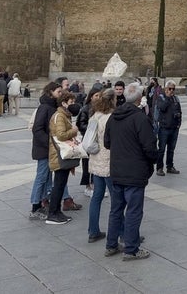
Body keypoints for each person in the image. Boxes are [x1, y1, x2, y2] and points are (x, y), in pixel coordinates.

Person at [104, 82, 158, 260]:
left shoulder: (114, 117)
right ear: (140, 99)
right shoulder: (140, 118)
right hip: (134, 172)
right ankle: (131, 249)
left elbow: (107, 143)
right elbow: (149, 147)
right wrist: (154, 160)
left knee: (116, 209)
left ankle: (111, 245)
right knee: (134, 211)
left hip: (117, 170)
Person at [45, 90, 81, 225]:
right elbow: (60, 135)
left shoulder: (64, 115)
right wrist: (74, 131)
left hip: (61, 154)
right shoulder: (59, 116)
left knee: (61, 184)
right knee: (59, 185)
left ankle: (57, 212)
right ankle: (52, 213)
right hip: (59, 155)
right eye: (71, 102)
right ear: (64, 103)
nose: (74, 105)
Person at [86, 88, 116, 243]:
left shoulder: (94, 116)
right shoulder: (111, 118)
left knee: (96, 197)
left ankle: (93, 231)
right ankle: (123, 233)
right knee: (116, 200)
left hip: (96, 162)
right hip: (109, 163)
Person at [77, 86, 103, 196]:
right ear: (91, 97)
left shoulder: (102, 108)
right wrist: (92, 127)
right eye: (96, 95)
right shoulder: (85, 108)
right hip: (88, 139)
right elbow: (80, 124)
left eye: (100, 96)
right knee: (86, 163)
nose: (98, 98)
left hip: (98, 139)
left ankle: (95, 184)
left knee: (97, 162)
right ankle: (87, 185)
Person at [155, 80, 181, 176]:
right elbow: (162, 108)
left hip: (174, 128)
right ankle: (159, 168)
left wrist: (179, 124)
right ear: (165, 89)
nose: (171, 91)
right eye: (169, 89)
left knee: (171, 149)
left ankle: (170, 166)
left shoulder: (176, 99)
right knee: (161, 149)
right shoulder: (161, 98)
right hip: (164, 128)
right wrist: (167, 98)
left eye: (173, 89)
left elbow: (179, 111)